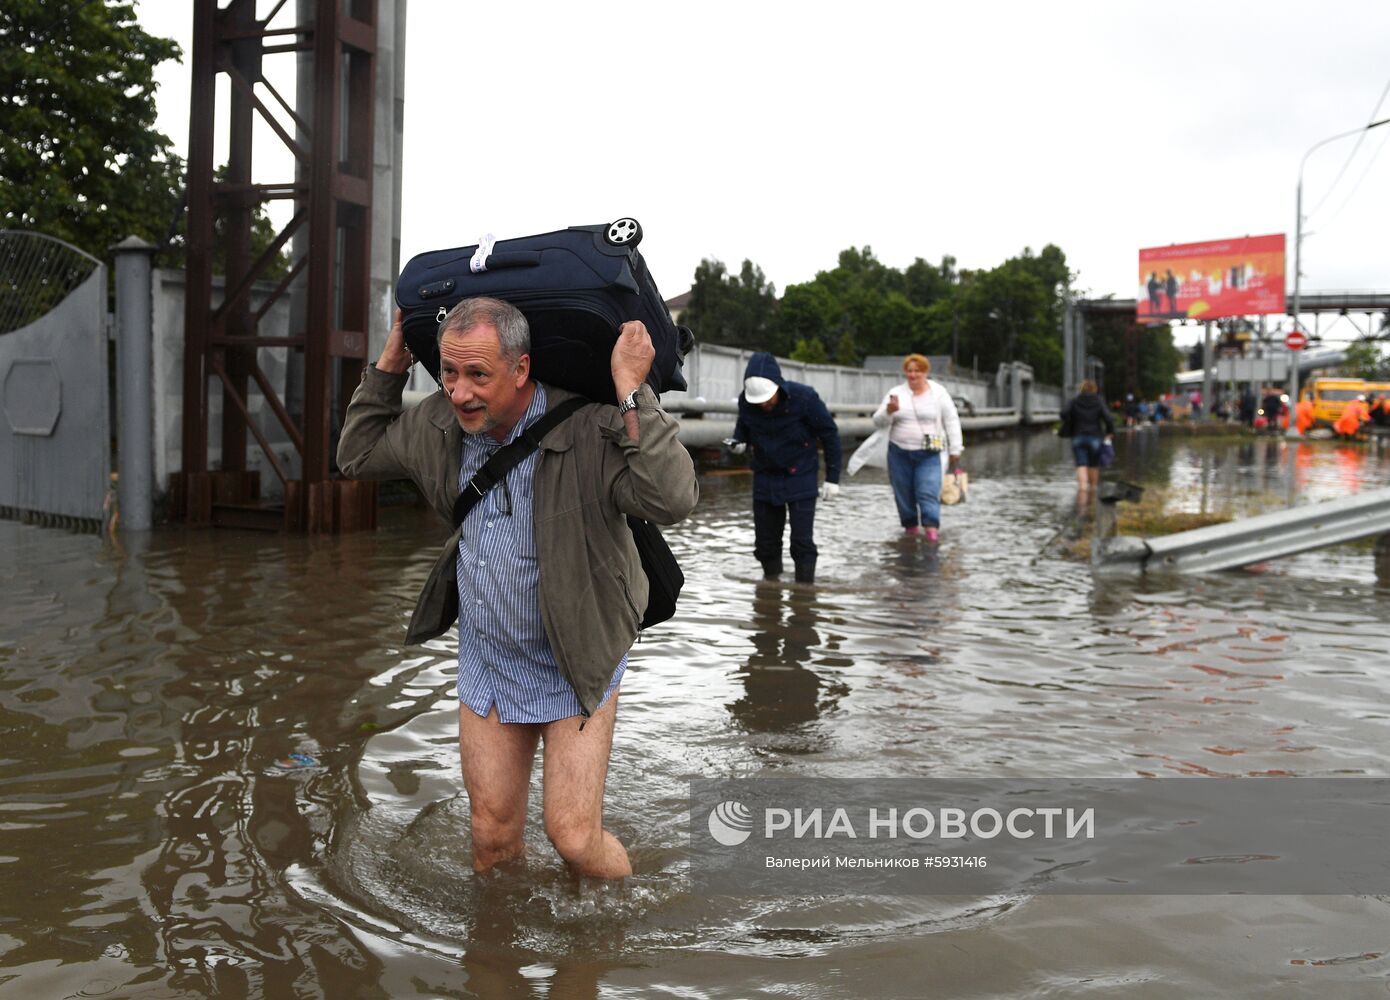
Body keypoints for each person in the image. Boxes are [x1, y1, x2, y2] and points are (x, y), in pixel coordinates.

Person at [337, 298, 698, 879]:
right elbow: (355, 455)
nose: (459, 393)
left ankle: (613, 924)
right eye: (449, 373)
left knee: (575, 839)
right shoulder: (438, 425)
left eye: (479, 375)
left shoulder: (588, 427)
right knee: (491, 839)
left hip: (577, 655)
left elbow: (672, 497)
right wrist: (388, 368)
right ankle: (497, 951)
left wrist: (632, 389)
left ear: (522, 369)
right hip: (491, 656)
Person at [728, 352, 841, 583]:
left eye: (768, 399)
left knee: (801, 542)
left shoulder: (805, 398)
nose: (765, 405)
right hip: (765, 475)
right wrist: (739, 442)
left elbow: (829, 434)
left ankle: (804, 594)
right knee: (765, 543)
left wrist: (832, 478)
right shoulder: (746, 402)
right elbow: (744, 427)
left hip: (801, 474)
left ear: (779, 387)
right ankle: (771, 589)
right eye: (759, 402)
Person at [871, 354, 963, 542]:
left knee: (927, 492)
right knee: (903, 495)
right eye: (909, 371)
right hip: (899, 453)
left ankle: (931, 532)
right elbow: (878, 421)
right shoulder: (896, 393)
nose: (913, 375)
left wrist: (956, 449)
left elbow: (951, 420)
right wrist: (889, 410)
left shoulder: (938, 393)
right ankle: (910, 531)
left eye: (917, 371)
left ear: (925, 372)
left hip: (929, 454)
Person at [1060, 379, 1115, 497]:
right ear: (1094, 389)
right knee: (1093, 465)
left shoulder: (1074, 401)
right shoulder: (1098, 401)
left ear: (1081, 389)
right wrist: (1110, 432)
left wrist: (1071, 421)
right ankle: (1093, 491)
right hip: (1095, 437)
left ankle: (1082, 490)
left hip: (1077, 436)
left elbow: (1063, 413)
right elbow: (1109, 418)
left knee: (1081, 464)